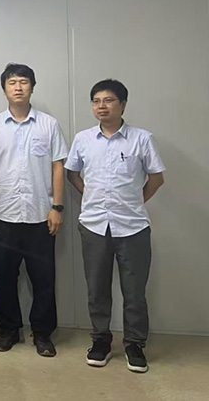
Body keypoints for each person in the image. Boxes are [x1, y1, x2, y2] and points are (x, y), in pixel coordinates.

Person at [65, 79, 164, 373]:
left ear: (122, 104)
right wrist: (90, 195)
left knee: (134, 291)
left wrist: (134, 201)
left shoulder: (141, 139)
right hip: (94, 225)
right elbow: (72, 174)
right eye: (96, 101)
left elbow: (156, 178)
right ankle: (101, 340)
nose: (101, 106)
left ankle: (134, 344)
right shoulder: (83, 139)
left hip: (133, 226)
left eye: (108, 100)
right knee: (97, 288)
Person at [0, 64, 68, 357]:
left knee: (43, 279)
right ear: (4, 88)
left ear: (32, 87)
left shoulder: (49, 125)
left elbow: (58, 166)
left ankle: (42, 333)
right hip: (3, 215)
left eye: (23, 82)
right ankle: (9, 330)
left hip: (41, 216)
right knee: (4, 279)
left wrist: (57, 207)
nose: (18, 87)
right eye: (12, 82)